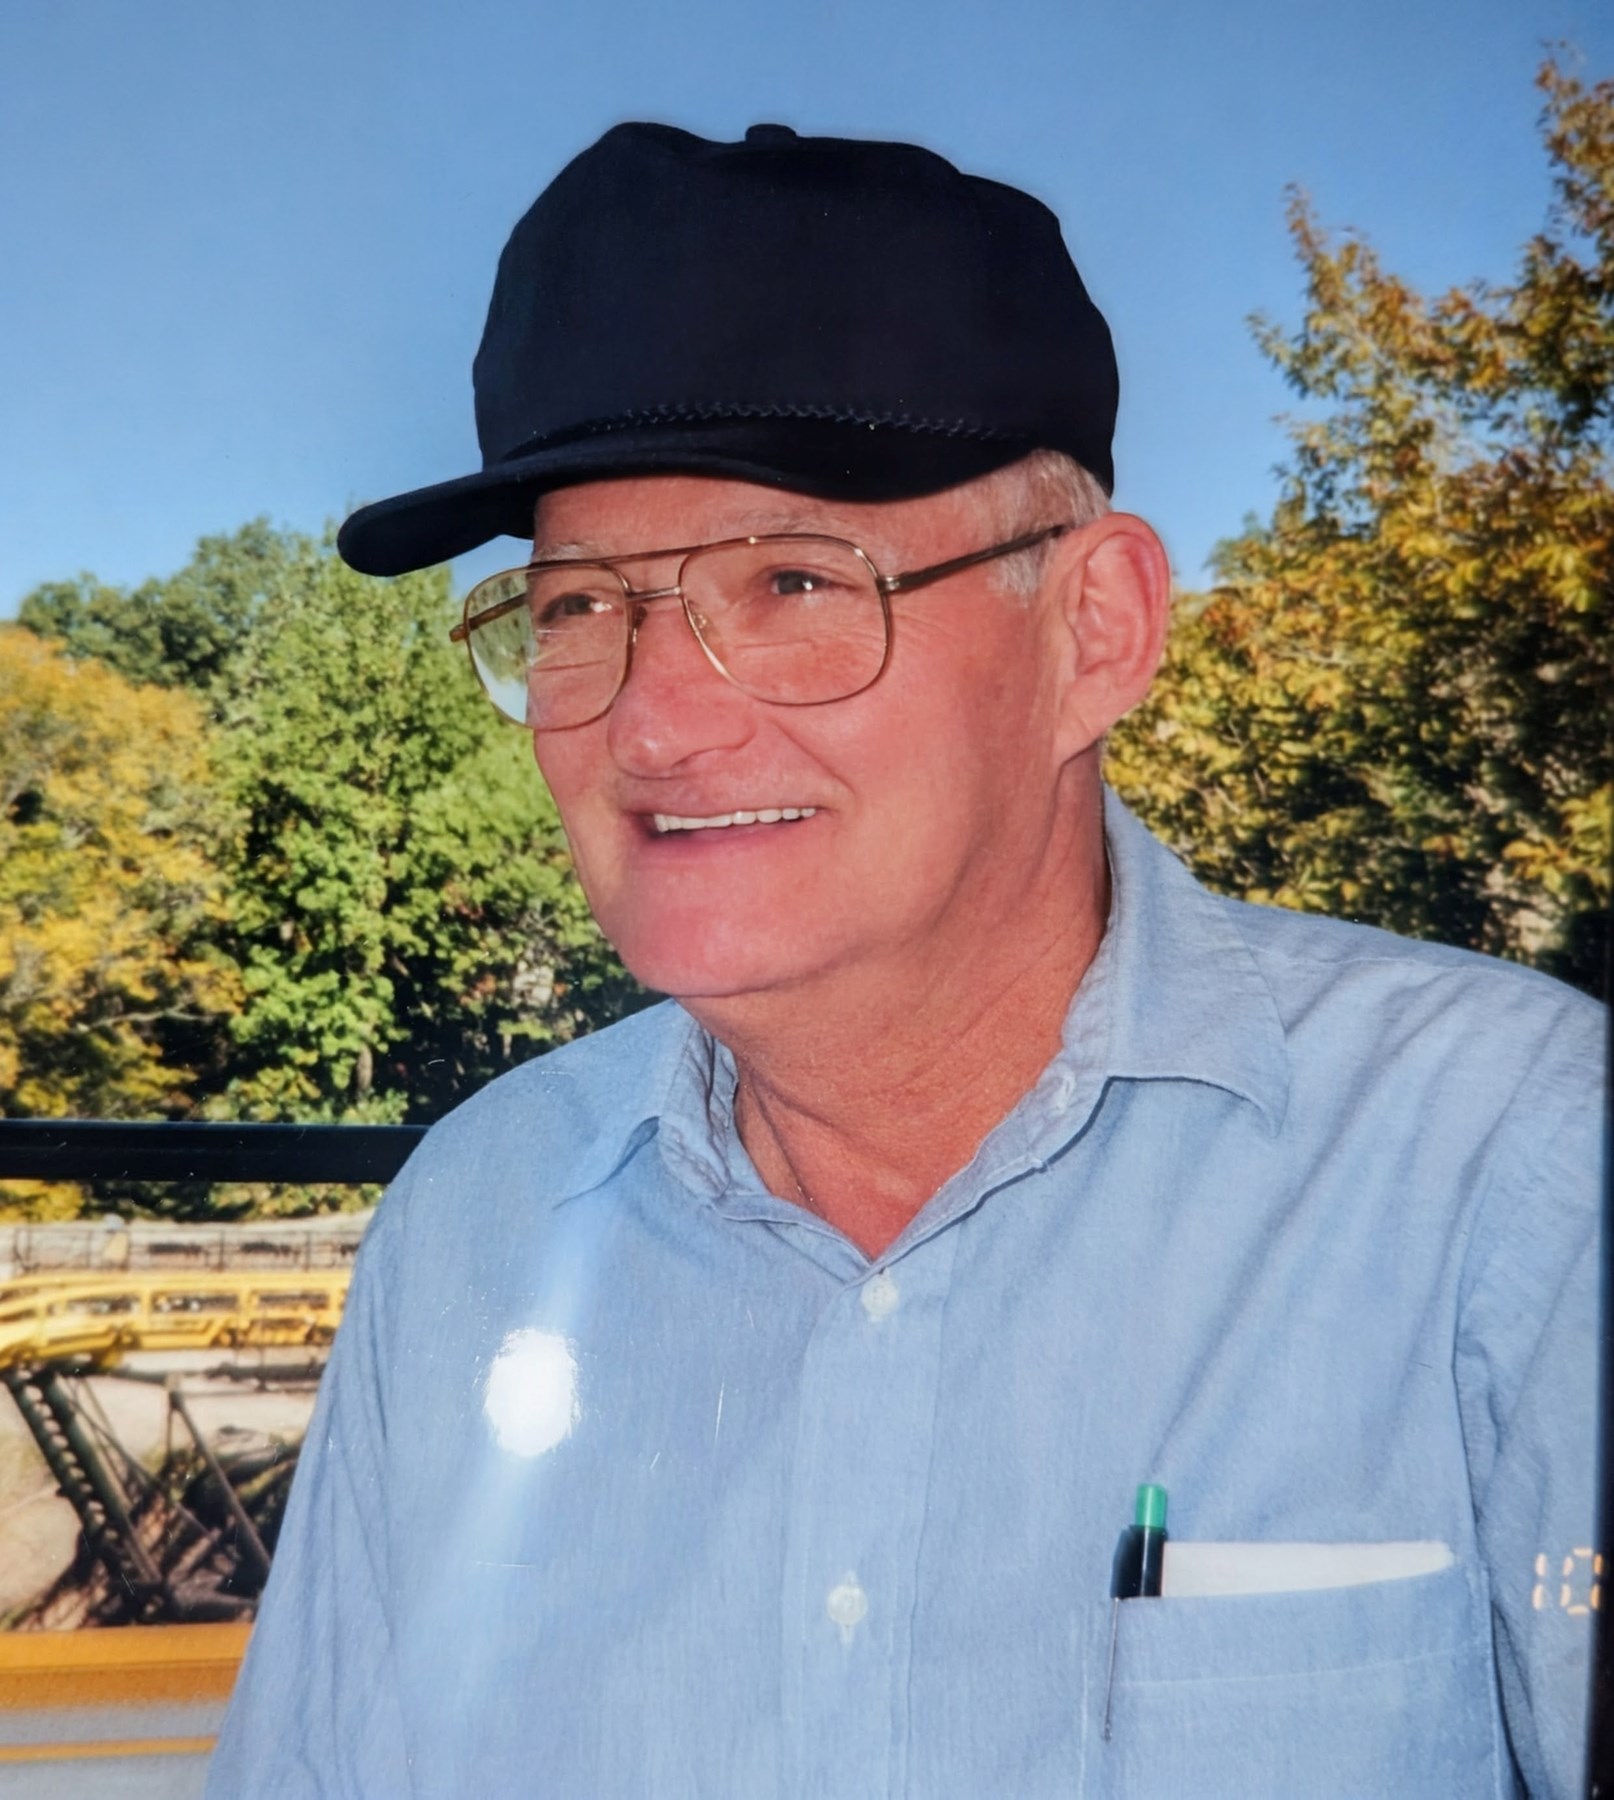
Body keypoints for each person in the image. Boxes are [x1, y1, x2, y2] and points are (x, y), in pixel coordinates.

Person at [208, 123, 1601, 1798]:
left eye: (793, 581)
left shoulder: (1510, 1169)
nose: (651, 722)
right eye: (576, 609)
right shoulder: (472, 1227)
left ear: (1094, 632)